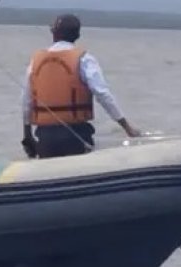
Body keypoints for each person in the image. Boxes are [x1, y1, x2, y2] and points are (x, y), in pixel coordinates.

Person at [19, 14, 140, 159]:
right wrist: (126, 127)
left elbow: (26, 99)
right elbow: (102, 94)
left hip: (45, 136)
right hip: (76, 134)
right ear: (77, 35)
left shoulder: (36, 61)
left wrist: (27, 135)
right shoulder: (84, 59)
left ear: (53, 33)